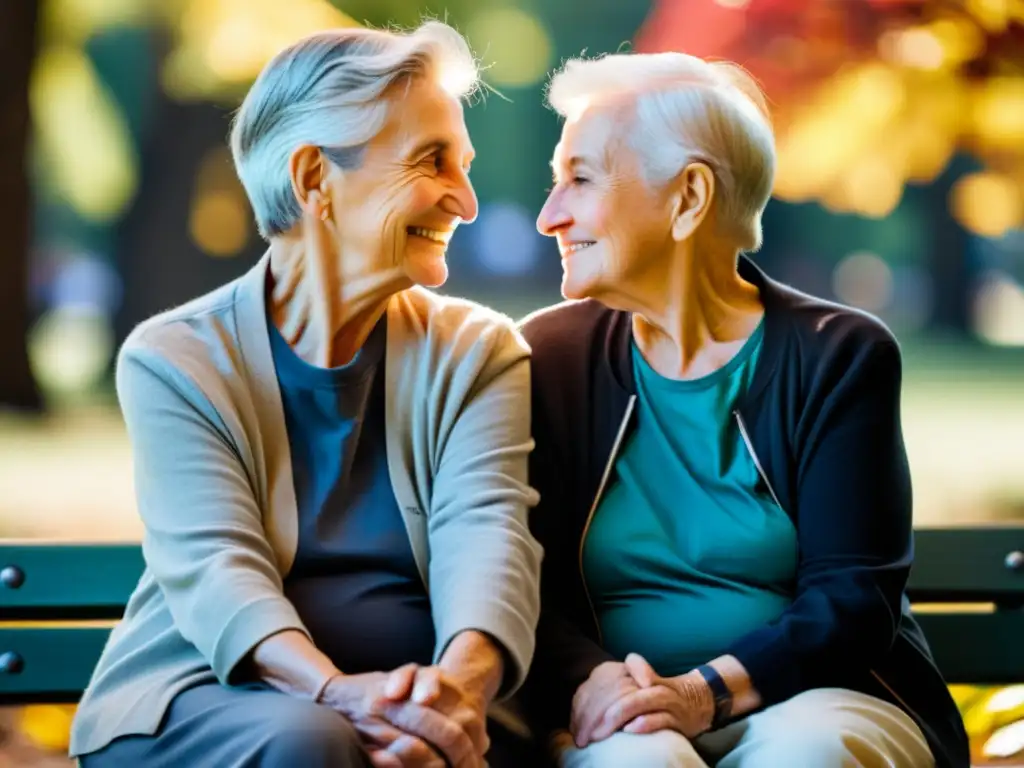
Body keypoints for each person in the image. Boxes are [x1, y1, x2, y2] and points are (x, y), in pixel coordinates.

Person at [70, 22, 545, 768]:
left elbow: (488, 537)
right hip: (204, 701)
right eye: (432, 161)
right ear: (314, 179)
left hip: (425, 709)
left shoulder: (478, 352)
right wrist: (337, 696)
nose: (466, 200)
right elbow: (217, 571)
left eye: (466, 164)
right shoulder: (176, 359)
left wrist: (454, 699)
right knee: (310, 741)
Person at [519, 50, 969, 768]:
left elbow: (853, 600)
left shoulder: (837, 355)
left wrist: (703, 694)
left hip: (822, 696)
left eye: (579, 179)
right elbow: (519, 580)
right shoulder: (548, 358)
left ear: (689, 197)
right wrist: (595, 680)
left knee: (808, 754)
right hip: (616, 709)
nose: (550, 216)